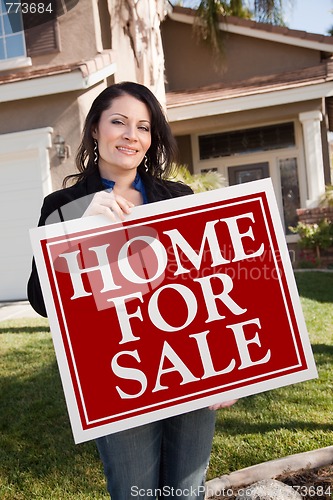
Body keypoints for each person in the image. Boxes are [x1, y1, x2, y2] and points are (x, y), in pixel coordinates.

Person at [27, 81, 236, 499]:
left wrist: (227, 372)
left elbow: (206, 287)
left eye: (143, 127)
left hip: (190, 366)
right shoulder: (63, 204)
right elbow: (39, 299)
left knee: (186, 490)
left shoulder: (178, 197)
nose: (131, 135)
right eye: (118, 122)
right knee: (134, 491)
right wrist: (77, 228)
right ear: (94, 130)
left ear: (151, 139)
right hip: (117, 375)